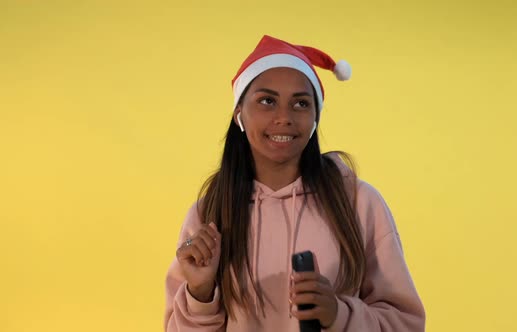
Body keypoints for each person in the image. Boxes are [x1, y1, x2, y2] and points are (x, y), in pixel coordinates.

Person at [164, 35, 425, 331]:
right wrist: (200, 293)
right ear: (239, 114)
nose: (284, 117)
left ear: (316, 117)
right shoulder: (208, 214)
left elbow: (406, 325)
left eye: (300, 103)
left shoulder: (359, 203)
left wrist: (339, 315)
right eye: (267, 101)